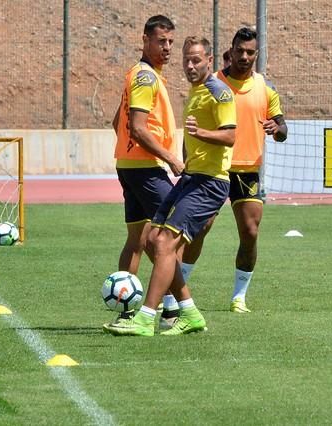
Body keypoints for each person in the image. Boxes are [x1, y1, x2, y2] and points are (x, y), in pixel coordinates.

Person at [105, 36, 236, 337]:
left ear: (209, 60)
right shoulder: (196, 91)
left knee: (164, 244)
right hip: (192, 178)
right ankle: (189, 312)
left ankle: (147, 316)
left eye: (196, 60)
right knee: (150, 239)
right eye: (186, 60)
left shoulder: (220, 92)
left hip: (211, 182)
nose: (190, 65)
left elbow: (230, 136)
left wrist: (200, 133)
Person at [181, 27, 288, 313]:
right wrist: (186, 161)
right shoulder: (213, 83)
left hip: (247, 170)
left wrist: (277, 129)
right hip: (214, 168)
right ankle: (177, 292)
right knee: (200, 228)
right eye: (239, 50)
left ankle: (239, 297)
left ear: (257, 53)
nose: (244, 56)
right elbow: (192, 123)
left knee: (250, 232)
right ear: (231, 50)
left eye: (250, 52)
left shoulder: (266, 88)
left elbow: (282, 127)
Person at [106, 15, 184, 329]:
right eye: (160, 41)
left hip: (130, 167)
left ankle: (126, 307)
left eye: (170, 42)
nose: (166, 48)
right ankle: (174, 309)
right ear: (145, 40)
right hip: (147, 170)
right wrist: (172, 159)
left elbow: (117, 124)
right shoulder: (145, 78)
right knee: (172, 238)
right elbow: (137, 129)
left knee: (137, 240)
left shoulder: (142, 75)